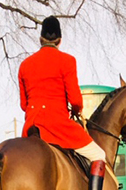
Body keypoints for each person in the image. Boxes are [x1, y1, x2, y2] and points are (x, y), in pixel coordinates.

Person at [18, 15, 106, 190]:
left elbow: (23, 105)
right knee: (99, 154)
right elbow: (75, 100)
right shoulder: (67, 61)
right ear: (59, 40)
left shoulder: (25, 65)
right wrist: (76, 109)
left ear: (40, 39)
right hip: (57, 126)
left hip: (31, 128)